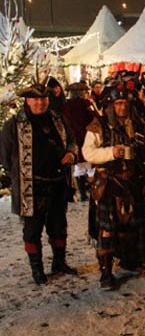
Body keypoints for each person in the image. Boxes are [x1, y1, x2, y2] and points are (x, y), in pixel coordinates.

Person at [0, 82, 78, 285]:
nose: (41, 103)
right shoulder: (15, 124)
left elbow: (71, 140)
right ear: (27, 100)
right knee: (32, 231)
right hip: (31, 188)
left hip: (58, 183)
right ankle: (37, 270)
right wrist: (21, 175)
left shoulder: (58, 119)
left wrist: (70, 153)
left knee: (59, 226)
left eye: (44, 99)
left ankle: (59, 262)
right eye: (36, 99)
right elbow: (5, 156)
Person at [82, 87, 145, 289]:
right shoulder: (99, 126)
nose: (122, 107)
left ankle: (129, 259)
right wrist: (110, 153)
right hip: (108, 183)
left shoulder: (137, 125)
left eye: (125, 103)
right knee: (107, 229)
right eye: (118, 104)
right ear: (111, 106)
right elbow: (87, 153)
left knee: (131, 226)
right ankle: (106, 273)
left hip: (132, 183)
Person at [62, 81, 97, 202]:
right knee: (90, 165)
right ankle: (92, 192)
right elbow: (95, 118)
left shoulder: (66, 105)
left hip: (73, 138)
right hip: (86, 137)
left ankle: (82, 193)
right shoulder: (87, 104)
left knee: (79, 165)